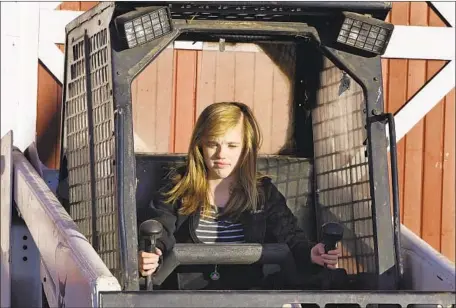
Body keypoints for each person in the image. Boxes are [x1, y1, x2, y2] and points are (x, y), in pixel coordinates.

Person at [138, 102, 341, 290]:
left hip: (247, 296)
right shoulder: (178, 188)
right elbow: (159, 229)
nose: (221, 154)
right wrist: (152, 254)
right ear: (200, 145)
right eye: (213, 144)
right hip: (187, 298)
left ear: (246, 148)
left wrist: (310, 253)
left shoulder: (263, 193)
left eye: (232, 146)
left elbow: (290, 235)